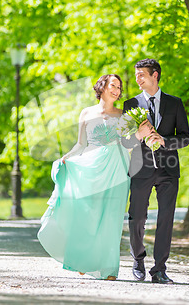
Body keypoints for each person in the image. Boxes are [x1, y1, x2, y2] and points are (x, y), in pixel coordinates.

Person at [37, 74, 130, 280]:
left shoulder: (124, 114)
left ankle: (109, 269)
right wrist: (66, 158)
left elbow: (131, 142)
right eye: (113, 85)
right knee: (88, 214)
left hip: (117, 167)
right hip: (92, 168)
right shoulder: (86, 113)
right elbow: (81, 144)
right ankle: (83, 260)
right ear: (102, 87)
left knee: (112, 218)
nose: (117, 90)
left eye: (119, 87)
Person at [122, 59, 189, 284]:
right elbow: (125, 142)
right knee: (136, 217)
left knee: (166, 219)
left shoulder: (175, 103)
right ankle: (138, 259)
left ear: (155, 75)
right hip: (141, 169)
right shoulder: (131, 104)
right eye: (136, 75)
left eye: (142, 74)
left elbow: (185, 138)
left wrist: (164, 140)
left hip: (168, 170)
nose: (137, 79)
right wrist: (137, 136)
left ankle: (159, 269)